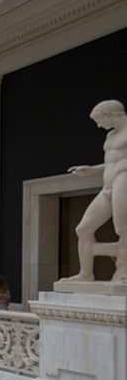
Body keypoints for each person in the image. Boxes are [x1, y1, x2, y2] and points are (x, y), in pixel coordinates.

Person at [59, 99, 127, 283]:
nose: (98, 125)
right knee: (83, 229)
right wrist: (92, 169)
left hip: (124, 180)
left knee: (123, 229)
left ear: (109, 114)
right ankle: (86, 274)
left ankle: (123, 271)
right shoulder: (111, 136)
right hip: (108, 185)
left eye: (99, 120)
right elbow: (113, 161)